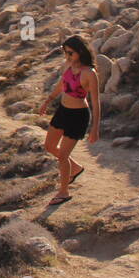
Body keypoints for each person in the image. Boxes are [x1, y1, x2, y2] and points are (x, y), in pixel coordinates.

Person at [36, 35, 100, 205]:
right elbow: (62, 84)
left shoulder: (90, 73)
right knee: (49, 146)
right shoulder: (69, 65)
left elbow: (96, 101)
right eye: (65, 52)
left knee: (63, 155)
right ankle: (76, 168)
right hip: (63, 111)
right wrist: (48, 101)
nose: (67, 56)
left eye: (70, 53)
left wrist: (95, 128)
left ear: (80, 51)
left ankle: (64, 192)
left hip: (78, 116)